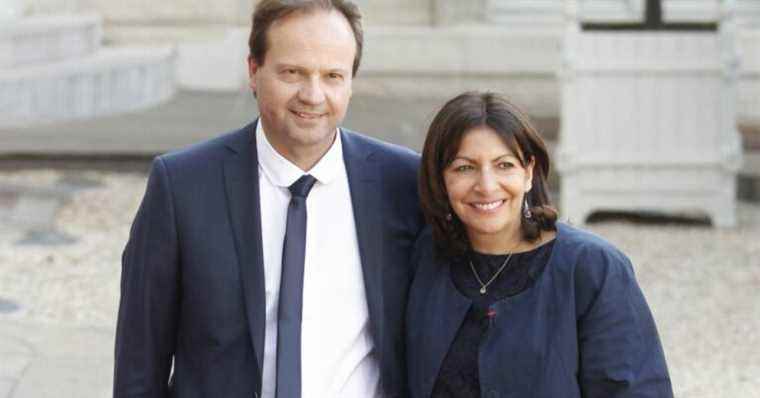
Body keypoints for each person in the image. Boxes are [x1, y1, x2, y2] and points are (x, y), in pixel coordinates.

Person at [113, 1, 423, 397]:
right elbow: (140, 363)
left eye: (332, 76)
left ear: (351, 82)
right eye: (293, 72)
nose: (312, 95)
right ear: (253, 71)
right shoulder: (181, 186)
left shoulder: (401, 182)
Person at [407, 92, 673, 397]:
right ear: (440, 179)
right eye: (464, 168)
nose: (486, 185)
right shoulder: (426, 257)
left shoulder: (592, 268)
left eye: (504, 165)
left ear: (529, 173)